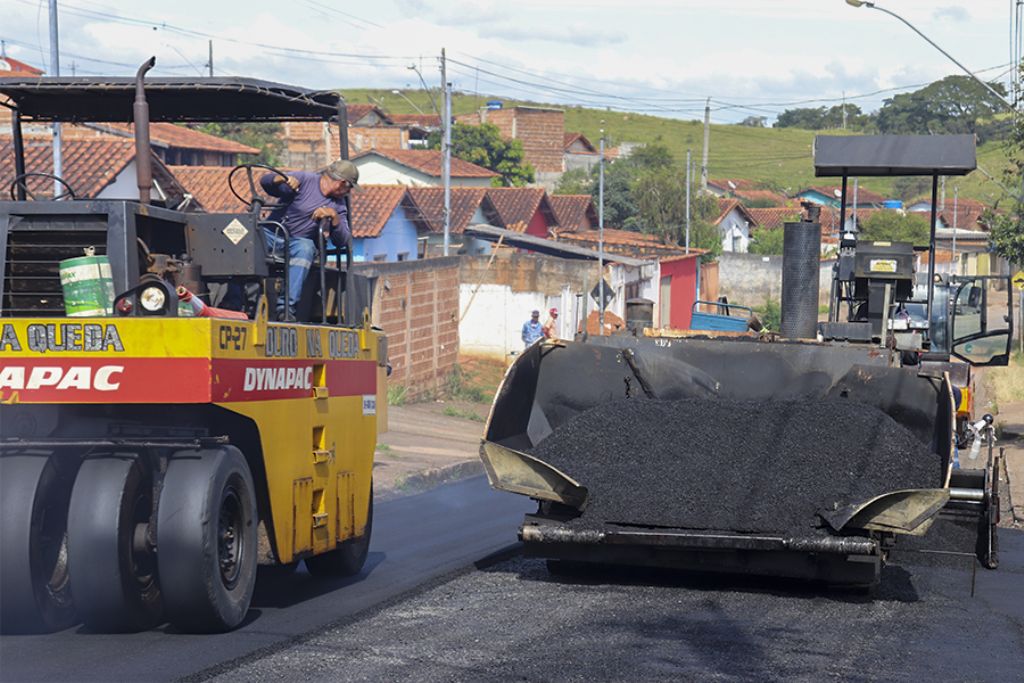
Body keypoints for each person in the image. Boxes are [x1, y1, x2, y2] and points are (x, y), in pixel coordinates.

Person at [259, 159, 358, 318]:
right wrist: (281, 179)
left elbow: (343, 239)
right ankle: (234, 300)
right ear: (342, 183)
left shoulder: (338, 206)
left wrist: (334, 217)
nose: (349, 192)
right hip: (271, 234)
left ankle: (285, 309)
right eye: (350, 188)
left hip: (295, 243)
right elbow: (266, 182)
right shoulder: (305, 179)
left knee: (305, 248)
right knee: (245, 235)